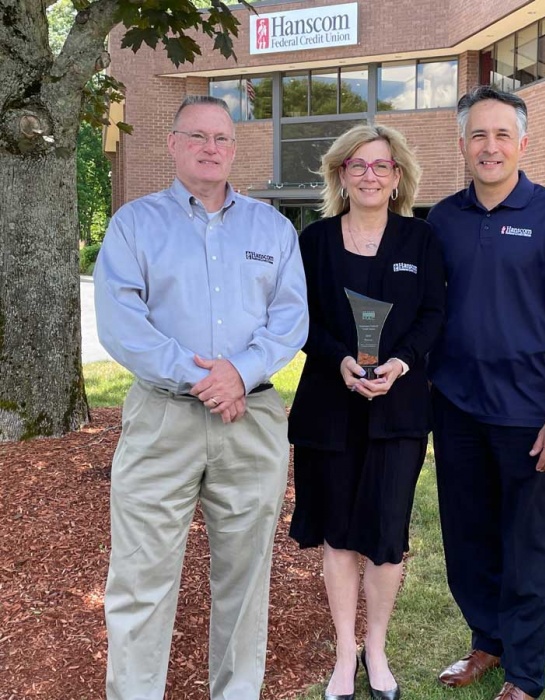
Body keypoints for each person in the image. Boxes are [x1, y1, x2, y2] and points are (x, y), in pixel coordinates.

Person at [94, 95, 308, 700]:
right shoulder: (135, 224)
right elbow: (122, 322)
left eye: (222, 138)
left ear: (235, 149)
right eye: (198, 137)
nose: (211, 149)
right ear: (172, 143)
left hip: (252, 418)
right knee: (141, 576)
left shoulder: (272, 227)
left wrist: (239, 374)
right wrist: (203, 378)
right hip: (164, 419)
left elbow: (291, 318)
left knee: (245, 579)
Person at [427, 86, 545, 700]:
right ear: (462, 146)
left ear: (523, 143)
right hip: (456, 410)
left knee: (528, 547)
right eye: (478, 134)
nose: (490, 146)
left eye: (502, 134)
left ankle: (526, 673)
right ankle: (487, 643)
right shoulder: (443, 220)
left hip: (529, 415)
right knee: (468, 537)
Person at [287, 124, 445, 700]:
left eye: (382, 166)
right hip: (330, 406)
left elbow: (434, 315)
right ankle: (343, 653)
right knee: (336, 534)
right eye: (358, 165)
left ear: (398, 176)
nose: (370, 175)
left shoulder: (420, 241)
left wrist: (399, 363)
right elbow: (299, 319)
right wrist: (340, 362)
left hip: (398, 410)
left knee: (385, 533)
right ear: (341, 174)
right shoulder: (316, 241)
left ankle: (376, 647)